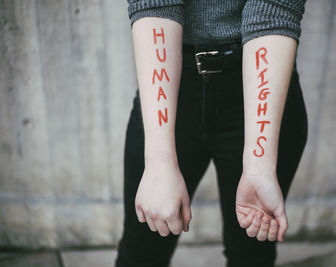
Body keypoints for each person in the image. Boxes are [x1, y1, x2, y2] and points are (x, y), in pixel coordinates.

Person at [115, 0, 308, 266]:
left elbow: (274, 11)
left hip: (262, 85)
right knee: (141, 252)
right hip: (172, 85)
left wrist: (259, 168)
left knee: (252, 255)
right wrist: (159, 161)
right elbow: (156, 5)